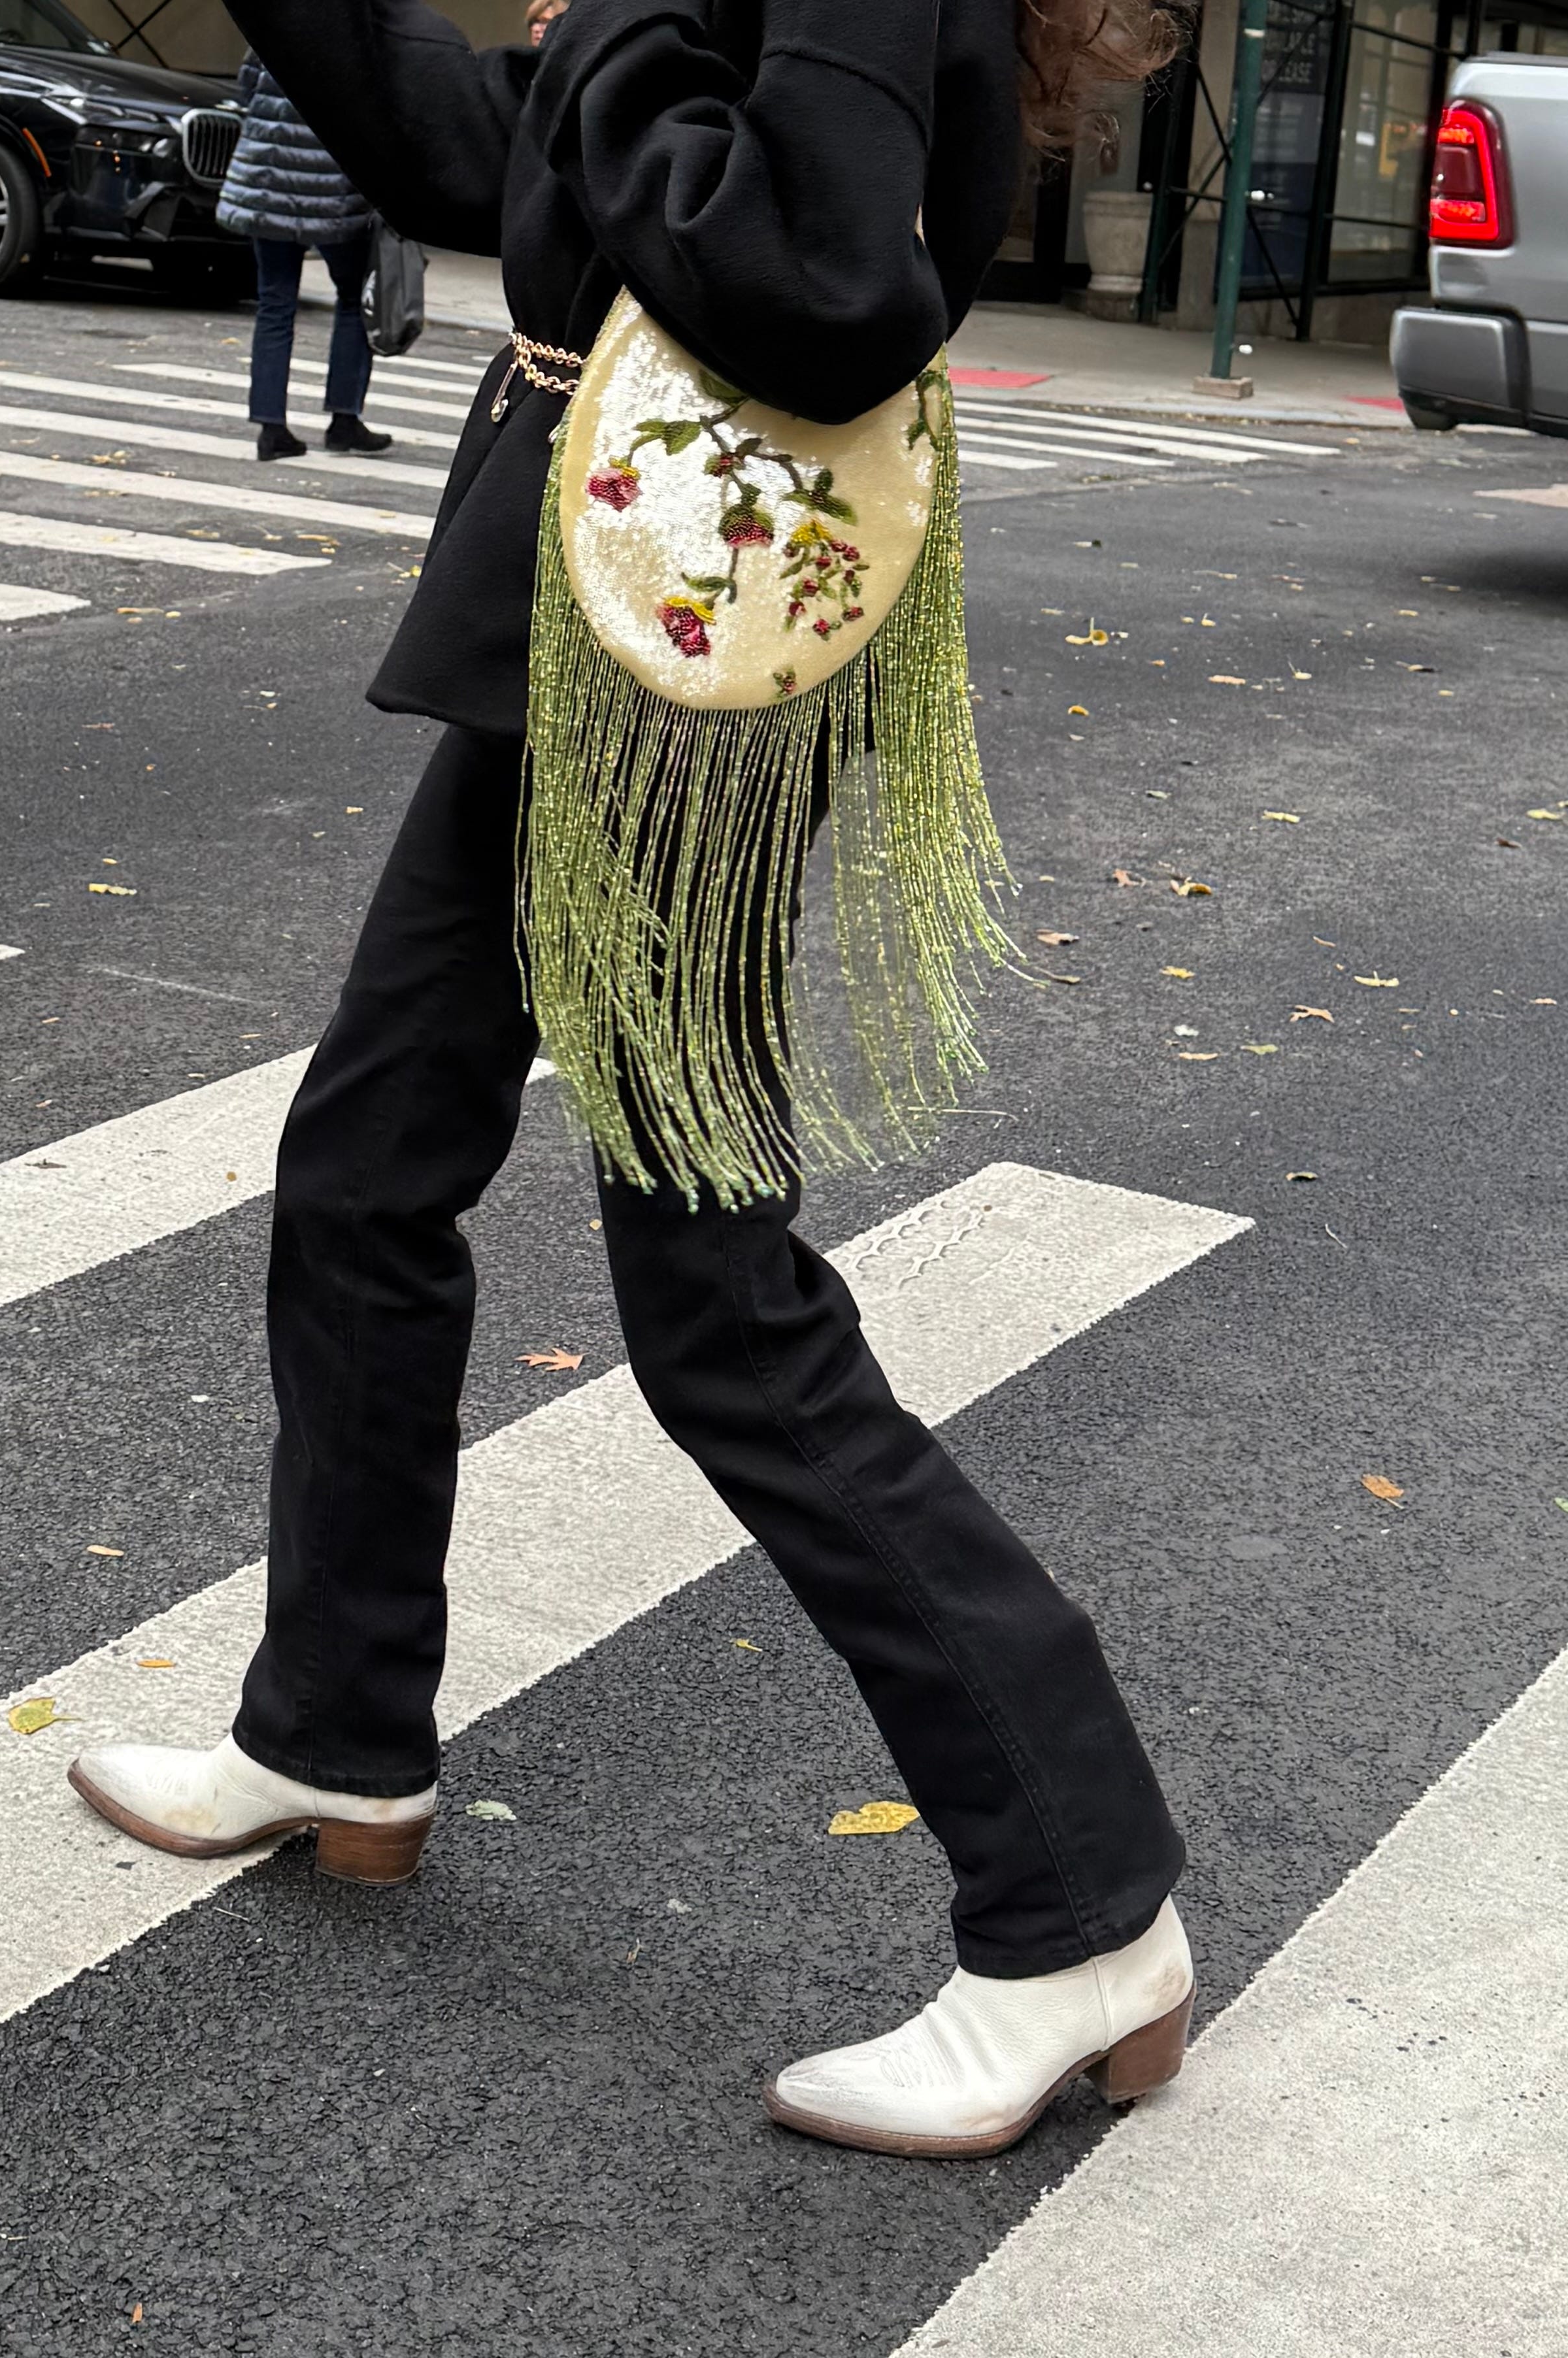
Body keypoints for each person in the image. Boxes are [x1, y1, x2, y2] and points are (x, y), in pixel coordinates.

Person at [71, 0, 1195, 2159]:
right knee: (370, 1162)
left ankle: (1076, 1902)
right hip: (578, 639)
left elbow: (810, 269)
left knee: (711, 1302)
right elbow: (491, 157)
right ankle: (335, 1725)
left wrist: (603, 46)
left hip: (689, 660)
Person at [216, 50, 395, 462]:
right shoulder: (353, 31)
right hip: (329, 190)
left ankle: (271, 427)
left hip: (268, 184)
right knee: (353, 298)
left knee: (275, 304)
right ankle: (344, 420)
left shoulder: (273, 20)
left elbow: (247, 87)